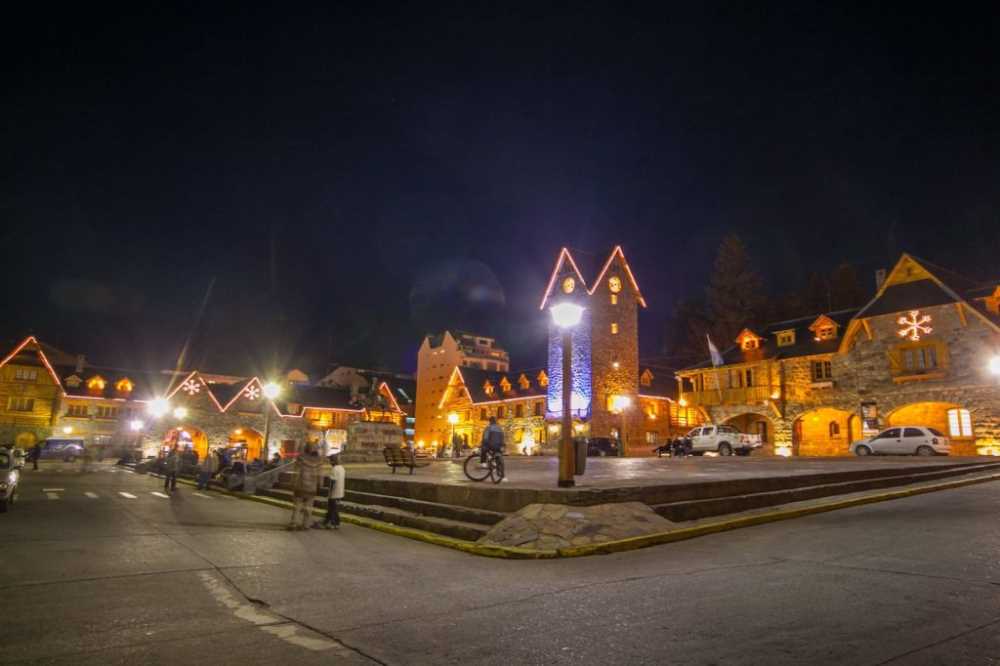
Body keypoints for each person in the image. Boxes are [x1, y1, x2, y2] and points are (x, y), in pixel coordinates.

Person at [288, 445, 322, 530]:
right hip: (312, 487)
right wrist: (320, 484)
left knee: (297, 505)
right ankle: (306, 524)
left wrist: (292, 482)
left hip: (301, 485)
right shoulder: (318, 461)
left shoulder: (300, 458)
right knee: (309, 506)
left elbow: (296, 472)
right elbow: (320, 475)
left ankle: (293, 523)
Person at [314, 453, 345, 530]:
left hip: (334, 493)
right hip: (340, 492)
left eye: (330, 461)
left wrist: (330, 493)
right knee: (335, 509)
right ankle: (332, 523)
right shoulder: (342, 468)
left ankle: (333, 523)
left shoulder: (334, 469)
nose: (330, 463)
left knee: (332, 509)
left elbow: (333, 481)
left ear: (333, 461)